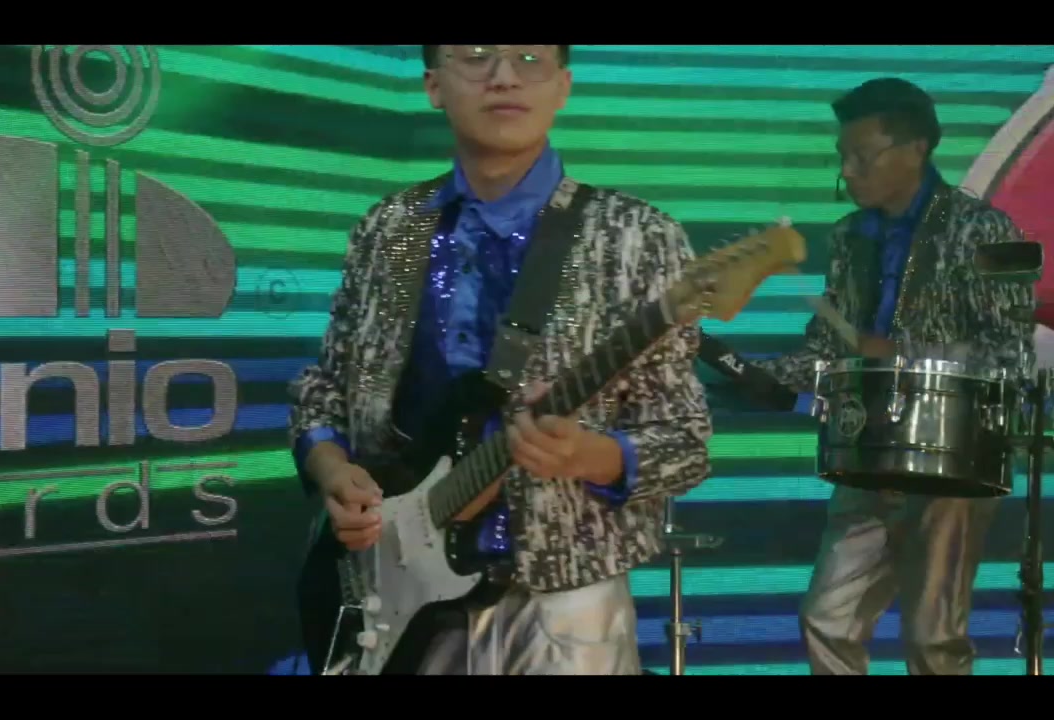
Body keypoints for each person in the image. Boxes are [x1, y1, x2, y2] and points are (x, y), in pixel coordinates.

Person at [287, 45, 713, 675]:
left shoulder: (636, 237)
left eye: (529, 57)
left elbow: (685, 440)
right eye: (477, 56)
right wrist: (332, 471)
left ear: (563, 85)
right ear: (434, 84)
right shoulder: (389, 229)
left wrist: (588, 455)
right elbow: (322, 387)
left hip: (566, 601)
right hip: (393, 586)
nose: (504, 77)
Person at [756, 77, 1035, 675]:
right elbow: (827, 349)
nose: (848, 171)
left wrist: (903, 354)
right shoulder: (848, 236)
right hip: (867, 451)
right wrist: (754, 375)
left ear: (916, 148)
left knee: (934, 639)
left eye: (862, 156)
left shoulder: (986, 230)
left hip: (953, 460)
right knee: (827, 619)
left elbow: (1011, 352)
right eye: (843, 157)